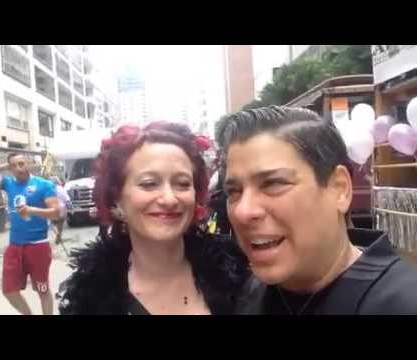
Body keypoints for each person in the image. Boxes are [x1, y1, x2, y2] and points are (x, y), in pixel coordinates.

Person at [215, 105, 417, 315]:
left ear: (340, 189)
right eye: (234, 191)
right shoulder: (250, 293)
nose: (243, 211)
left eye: (273, 184)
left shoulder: (403, 303)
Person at [58, 121, 249, 315]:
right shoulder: (90, 297)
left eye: (182, 183)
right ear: (116, 198)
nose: (169, 198)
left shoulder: (238, 271)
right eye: (149, 184)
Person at [0, 153, 60, 315]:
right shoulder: (8, 183)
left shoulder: (44, 185)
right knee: (9, 290)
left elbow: (56, 213)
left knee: (42, 289)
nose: (18, 168)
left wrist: (32, 210)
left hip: (38, 246)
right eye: (14, 166)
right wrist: (4, 166)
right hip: (15, 247)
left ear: (28, 164)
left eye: (21, 164)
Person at [49, 176, 71, 245]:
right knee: (60, 224)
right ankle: (59, 234)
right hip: (62, 209)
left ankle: (58, 234)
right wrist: (71, 207)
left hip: (53, 209)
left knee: (52, 223)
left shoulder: (49, 189)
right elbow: (67, 198)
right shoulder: (61, 189)